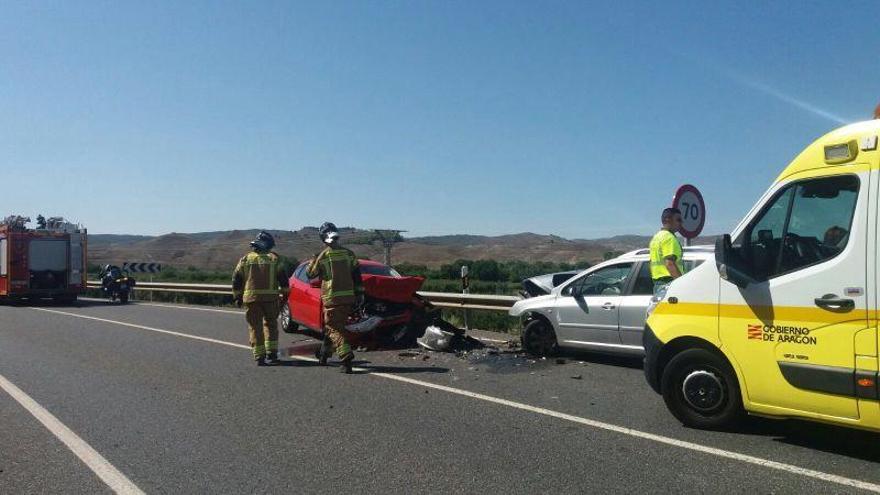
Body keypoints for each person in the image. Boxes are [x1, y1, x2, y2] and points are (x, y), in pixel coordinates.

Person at [307, 222, 363, 374]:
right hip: (348, 298)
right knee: (334, 327)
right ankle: (324, 354)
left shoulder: (324, 255)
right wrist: (359, 294)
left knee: (333, 328)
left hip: (332, 298)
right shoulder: (349, 254)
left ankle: (346, 358)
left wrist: (312, 260)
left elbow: (310, 274)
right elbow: (357, 277)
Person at [232, 231, 289, 366]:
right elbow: (283, 280)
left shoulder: (245, 259)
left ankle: (259, 356)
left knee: (255, 327)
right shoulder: (275, 259)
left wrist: (237, 296)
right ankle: (272, 353)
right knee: (271, 325)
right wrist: (285, 296)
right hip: (271, 299)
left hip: (252, 299)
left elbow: (236, 279)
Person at [649, 207, 685, 299]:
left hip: (658, 284)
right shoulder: (669, 238)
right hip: (669, 284)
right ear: (668, 220)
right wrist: (683, 284)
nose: (681, 223)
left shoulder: (656, 237)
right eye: (678, 220)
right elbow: (670, 264)